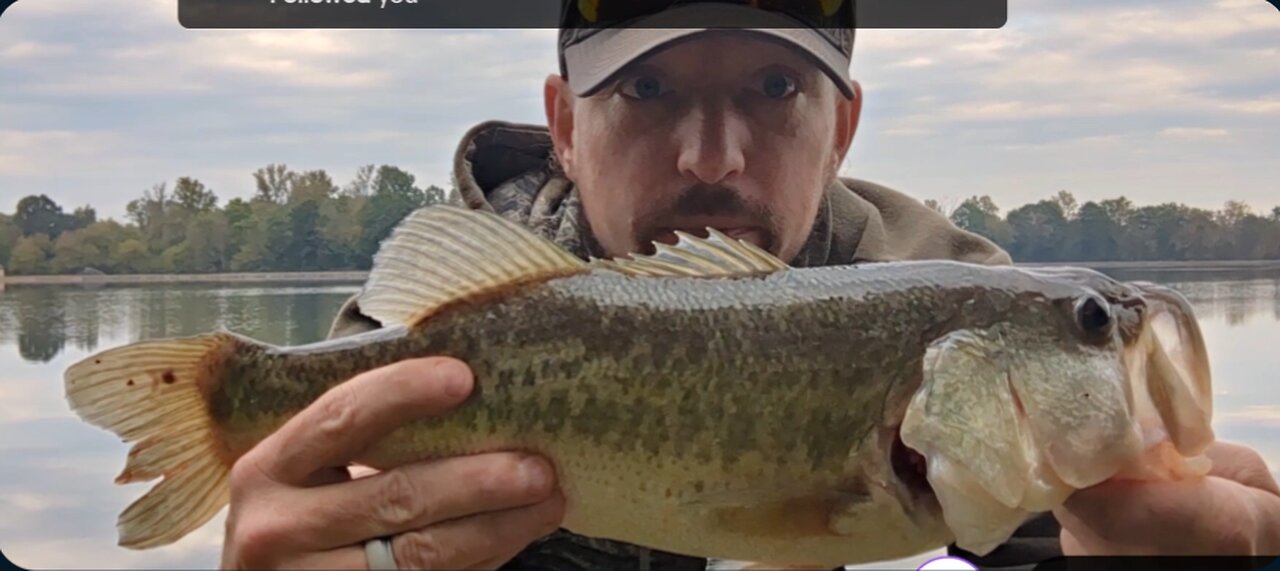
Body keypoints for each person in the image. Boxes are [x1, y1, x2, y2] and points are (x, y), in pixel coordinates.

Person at [217, 1, 1280, 569]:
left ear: (842, 128)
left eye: (774, 88)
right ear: (560, 126)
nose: (711, 156)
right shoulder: (392, 367)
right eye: (647, 89)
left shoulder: (971, 312)